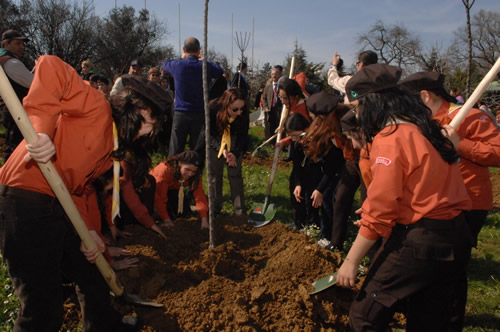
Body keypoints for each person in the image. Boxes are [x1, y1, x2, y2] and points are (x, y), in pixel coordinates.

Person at [0, 55, 166, 331]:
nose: (147, 132)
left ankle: (103, 325)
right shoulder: (96, 107)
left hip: (58, 205)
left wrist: (90, 233)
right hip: (22, 199)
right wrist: (42, 130)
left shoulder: (108, 151)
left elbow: (80, 191)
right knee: (42, 304)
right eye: (149, 121)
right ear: (133, 106)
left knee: (92, 268)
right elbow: (52, 67)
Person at [337, 64, 473, 331]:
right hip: (456, 236)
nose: (357, 115)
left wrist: (350, 262)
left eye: (356, 108)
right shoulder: (428, 129)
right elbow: (421, 186)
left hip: (420, 241)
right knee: (428, 320)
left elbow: (381, 210)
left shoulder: (390, 138)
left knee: (364, 317)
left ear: (373, 102)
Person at [399, 71, 500, 329]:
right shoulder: (425, 121)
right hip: (436, 202)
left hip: (469, 203)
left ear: (424, 96)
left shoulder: (471, 117)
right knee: (433, 266)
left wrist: (460, 143)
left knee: (453, 270)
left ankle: (451, 322)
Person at [162, 37, 223, 159]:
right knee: (197, 149)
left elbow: (164, 65)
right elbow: (219, 71)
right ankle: (195, 174)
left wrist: (181, 57)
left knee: (175, 148)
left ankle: (172, 172)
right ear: (199, 50)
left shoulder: (177, 65)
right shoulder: (205, 66)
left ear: (184, 49)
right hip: (199, 113)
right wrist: (205, 60)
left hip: (181, 112)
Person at [301, 92, 346, 246]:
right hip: (334, 168)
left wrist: (320, 188)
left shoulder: (335, 133)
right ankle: (328, 234)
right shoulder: (322, 125)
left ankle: (332, 238)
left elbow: (333, 166)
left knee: (330, 200)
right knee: (327, 198)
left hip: (343, 169)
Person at [207, 88, 249, 216]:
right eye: (235, 109)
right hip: (216, 139)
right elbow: (208, 135)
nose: (239, 112)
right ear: (226, 105)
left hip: (234, 139)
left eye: (241, 109)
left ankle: (239, 210)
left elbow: (243, 136)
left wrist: (234, 153)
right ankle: (215, 207)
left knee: (235, 174)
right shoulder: (213, 108)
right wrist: (221, 149)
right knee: (215, 174)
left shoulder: (243, 113)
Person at [150, 151, 209, 230]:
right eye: (187, 170)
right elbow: (159, 197)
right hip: (152, 190)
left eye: (193, 171)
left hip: (173, 190)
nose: (190, 174)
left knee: (182, 213)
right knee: (163, 215)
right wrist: (166, 220)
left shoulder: (195, 175)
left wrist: (204, 220)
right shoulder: (164, 171)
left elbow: (200, 196)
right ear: (179, 164)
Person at [0, 29, 34, 161]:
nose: (22, 47)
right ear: (6, 43)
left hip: (9, 110)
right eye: (17, 43)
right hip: (17, 112)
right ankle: (9, 180)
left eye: (22, 44)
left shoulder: (3, 59)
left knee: (12, 148)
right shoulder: (11, 62)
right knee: (16, 150)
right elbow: (32, 83)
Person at [262, 65, 283, 141]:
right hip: (270, 109)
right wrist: (265, 107)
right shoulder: (268, 86)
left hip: (280, 109)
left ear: (279, 75)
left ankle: (281, 142)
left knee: (280, 125)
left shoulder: (282, 86)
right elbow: (264, 98)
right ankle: (271, 142)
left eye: (275, 74)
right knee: (270, 126)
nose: (274, 76)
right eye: (272, 74)